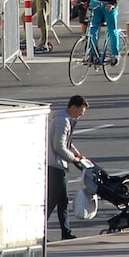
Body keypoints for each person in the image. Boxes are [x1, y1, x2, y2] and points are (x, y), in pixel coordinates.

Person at [47, 95, 88, 241]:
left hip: (57, 165)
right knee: (53, 201)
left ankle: (66, 231)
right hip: (56, 166)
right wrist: (73, 158)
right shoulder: (62, 121)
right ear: (73, 107)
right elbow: (59, 146)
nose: (81, 115)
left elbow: (66, 142)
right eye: (80, 111)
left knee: (62, 200)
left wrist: (76, 154)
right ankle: (44, 232)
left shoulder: (64, 119)